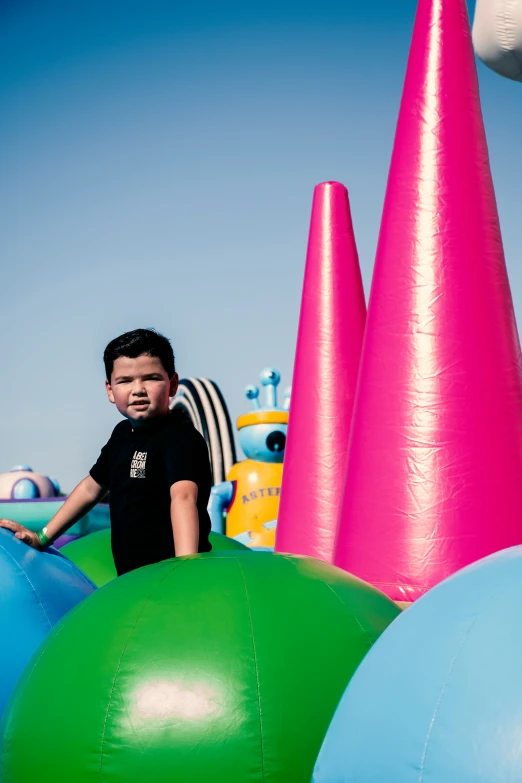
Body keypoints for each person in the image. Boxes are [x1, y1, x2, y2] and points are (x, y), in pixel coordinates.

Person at [0, 329, 212, 575]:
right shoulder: (121, 435)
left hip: (170, 573)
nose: (138, 389)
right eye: (125, 381)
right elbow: (91, 489)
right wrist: (42, 538)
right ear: (110, 390)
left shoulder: (180, 436)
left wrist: (185, 566)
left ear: (172, 384)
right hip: (132, 576)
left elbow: (184, 498)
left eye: (151, 378)